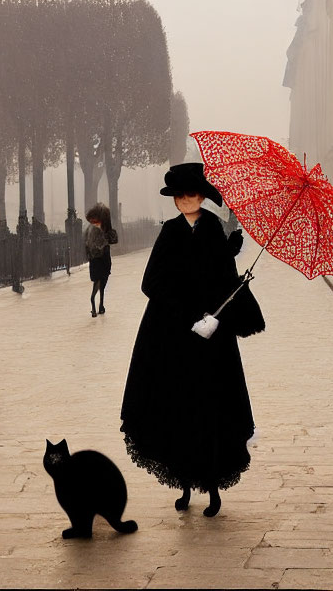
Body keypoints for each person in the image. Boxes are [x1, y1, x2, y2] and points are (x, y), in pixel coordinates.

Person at [119, 162, 254, 517]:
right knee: (178, 407)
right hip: (175, 335)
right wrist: (182, 311)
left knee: (211, 408)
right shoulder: (169, 233)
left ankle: (212, 489)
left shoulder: (212, 228)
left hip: (212, 337)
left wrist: (231, 256)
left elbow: (222, 278)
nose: (185, 200)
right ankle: (183, 485)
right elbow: (150, 282)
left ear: (202, 196)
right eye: (179, 196)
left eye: (191, 194)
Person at [84, 203, 113, 317]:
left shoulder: (89, 230)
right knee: (101, 286)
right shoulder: (101, 231)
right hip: (101, 261)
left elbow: (87, 246)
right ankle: (99, 306)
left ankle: (96, 307)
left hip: (95, 261)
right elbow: (107, 245)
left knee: (97, 285)